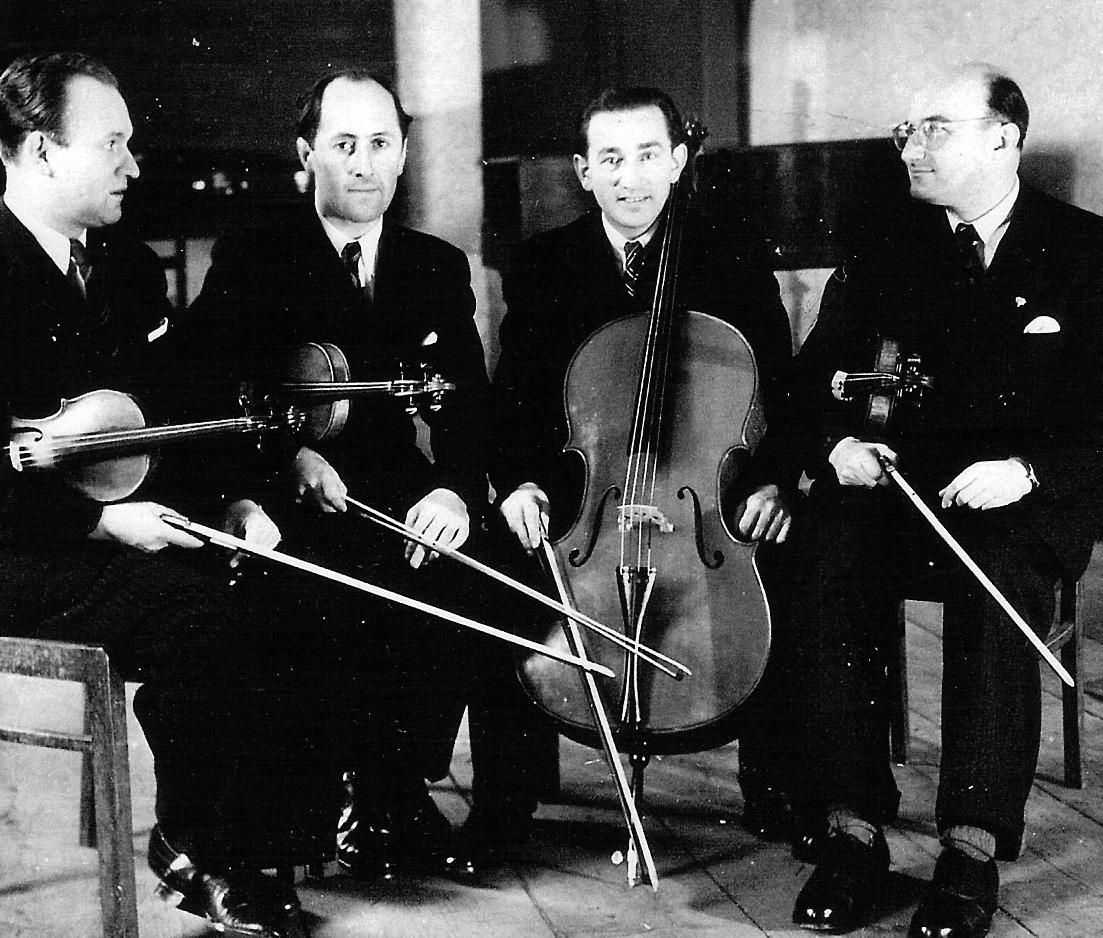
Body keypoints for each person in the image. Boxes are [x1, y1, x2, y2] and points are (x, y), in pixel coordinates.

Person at [0, 52, 324, 938]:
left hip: (96, 532)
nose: (133, 166)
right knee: (200, 616)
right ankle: (202, 847)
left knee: (278, 577)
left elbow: (166, 417)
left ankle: (249, 835)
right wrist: (103, 522)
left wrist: (233, 501)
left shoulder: (129, 269)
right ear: (41, 149)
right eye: (112, 144)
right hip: (19, 547)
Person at [786, 64, 1103, 938]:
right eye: (906, 131)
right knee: (823, 545)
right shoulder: (887, 244)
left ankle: (969, 847)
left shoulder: (1086, 249)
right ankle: (851, 828)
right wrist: (835, 445)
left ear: (1004, 137)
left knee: (992, 572)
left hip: (1023, 497)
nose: (910, 148)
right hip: (902, 491)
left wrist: (1028, 472)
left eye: (934, 128)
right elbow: (811, 381)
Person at [184, 68, 493, 881]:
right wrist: (287, 458)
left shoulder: (435, 264)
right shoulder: (254, 254)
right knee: (324, 591)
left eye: (380, 143)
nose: (363, 163)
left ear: (403, 154)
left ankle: (392, 788)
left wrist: (453, 490)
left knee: (468, 571)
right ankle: (329, 799)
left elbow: (466, 399)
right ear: (306, 155)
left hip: (394, 484)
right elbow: (206, 386)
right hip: (282, 490)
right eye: (343, 143)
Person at [479, 86, 799, 859]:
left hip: (703, 501)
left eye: (649, 156)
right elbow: (509, 402)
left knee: (790, 558)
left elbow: (785, 392)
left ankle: (777, 786)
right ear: (583, 171)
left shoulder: (730, 252)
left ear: (679, 161)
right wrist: (519, 482)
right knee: (497, 564)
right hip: (582, 499)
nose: (631, 178)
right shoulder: (543, 263)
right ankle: (504, 799)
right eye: (612, 159)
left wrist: (775, 481)